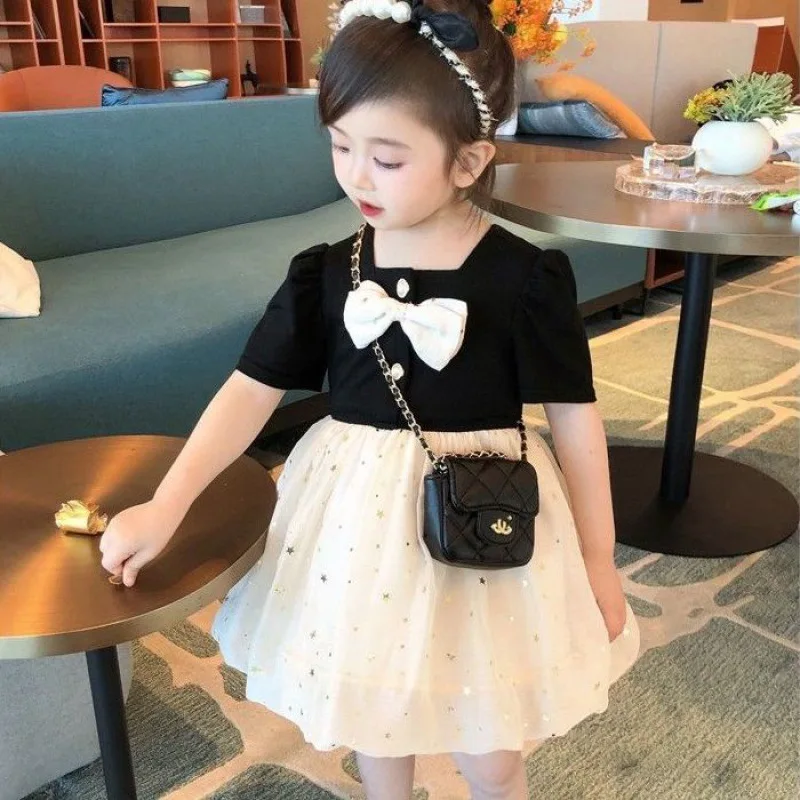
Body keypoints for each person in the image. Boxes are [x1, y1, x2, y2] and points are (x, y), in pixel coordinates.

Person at [100, 1, 640, 797]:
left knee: (491, 746)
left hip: (483, 519)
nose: (356, 176)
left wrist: (598, 559)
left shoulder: (527, 278)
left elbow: (576, 422)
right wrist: (166, 504)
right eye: (340, 145)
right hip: (354, 530)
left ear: (468, 161)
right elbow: (248, 392)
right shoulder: (322, 273)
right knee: (374, 716)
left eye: (386, 158)